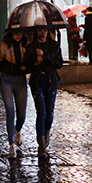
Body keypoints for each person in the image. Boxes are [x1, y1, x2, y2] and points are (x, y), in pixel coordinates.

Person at [0, 29, 30, 158]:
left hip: (21, 81)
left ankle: (17, 130)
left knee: (22, 114)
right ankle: (11, 144)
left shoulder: (25, 45)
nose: (18, 35)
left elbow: (31, 62)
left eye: (20, 32)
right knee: (10, 111)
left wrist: (26, 68)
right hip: (6, 80)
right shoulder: (3, 47)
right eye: (16, 33)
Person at [25, 27, 63, 157]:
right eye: (40, 30)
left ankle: (46, 133)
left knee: (49, 113)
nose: (43, 33)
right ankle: (41, 146)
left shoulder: (54, 45)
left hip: (51, 82)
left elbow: (59, 63)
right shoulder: (31, 47)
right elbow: (27, 65)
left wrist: (45, 57)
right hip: (37, 83)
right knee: (41, 112)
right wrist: (36, 62)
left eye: (45, 30)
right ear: (36, 32)